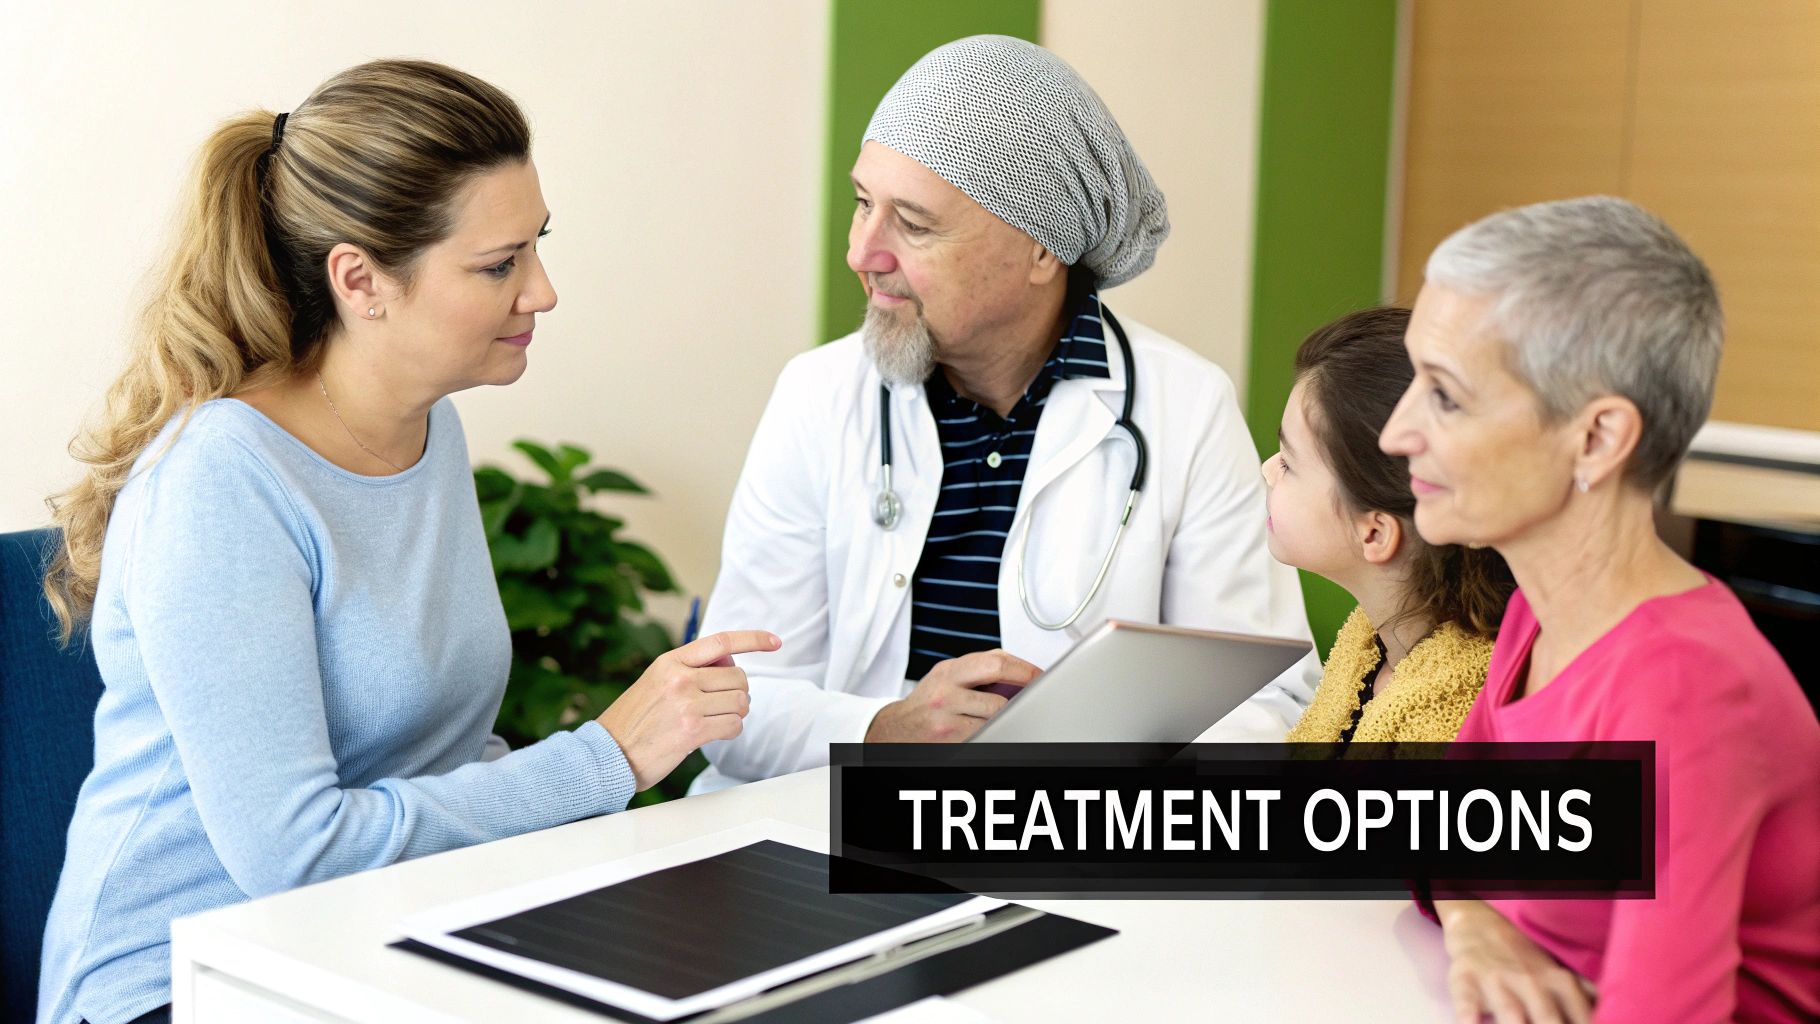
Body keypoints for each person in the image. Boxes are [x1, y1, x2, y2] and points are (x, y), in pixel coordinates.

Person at [37, 60, 775, 1024]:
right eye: (499, 264)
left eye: (537, 247)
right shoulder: (219, 480)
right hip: (183, 979)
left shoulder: (428, 431)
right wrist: (607, 759)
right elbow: (296, 853)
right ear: (360, 281)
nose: (543, 292)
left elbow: (446, 754)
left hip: (382, 936)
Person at [692, 34, 1316, 792]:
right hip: (827, 813)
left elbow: (1264, 705)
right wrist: (881, 733)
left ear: (1042, 249)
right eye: (863, 204)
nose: (863, 252)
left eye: (913, 224)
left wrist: (1084, 775)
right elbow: (736, 703)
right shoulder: (818, 395)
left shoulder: (1185, 407)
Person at [1380, 195, 1820, 1023]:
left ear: (1596, 440)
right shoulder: (1540, 617)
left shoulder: (1683, 686)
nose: (1395, 434)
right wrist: (1478, 929)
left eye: (1445, 396)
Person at [1262, 307, 1515, 743]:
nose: (1268, 469)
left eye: (1288, 463)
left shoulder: (1453, 723)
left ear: (1375, 533)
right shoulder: (1373, 650)